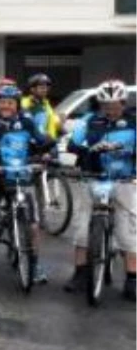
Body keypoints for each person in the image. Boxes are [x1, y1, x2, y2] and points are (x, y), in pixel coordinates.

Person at [0, 84, 55, 281]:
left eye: (10, 103)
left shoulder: (27, 123)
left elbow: (43, 141)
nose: (6, 106)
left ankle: (34, 264)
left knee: (33, 224)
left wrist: (49, 154)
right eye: (2, 103)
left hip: (21, 176)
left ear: (17, 105)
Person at [63, 80, 137, 299]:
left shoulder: (134, 121)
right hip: (93, 177)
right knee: (83, 225)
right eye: (105, 104)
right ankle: (80, 273)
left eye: (114, 104)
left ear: (123, 102)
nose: (110, 108)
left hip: (123, 178)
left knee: (127, 228)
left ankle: (133, 278)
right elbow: (73, 145)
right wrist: (87, 149)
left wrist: (127, 151)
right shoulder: (90, 121)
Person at [21, 73, 61, 140]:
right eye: (42, 88)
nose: (45, 90)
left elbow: (54, 121)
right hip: (36, 143)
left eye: (46, 88)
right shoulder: (26, 102)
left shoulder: (45, 103)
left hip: (49, 143)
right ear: (32, 89)